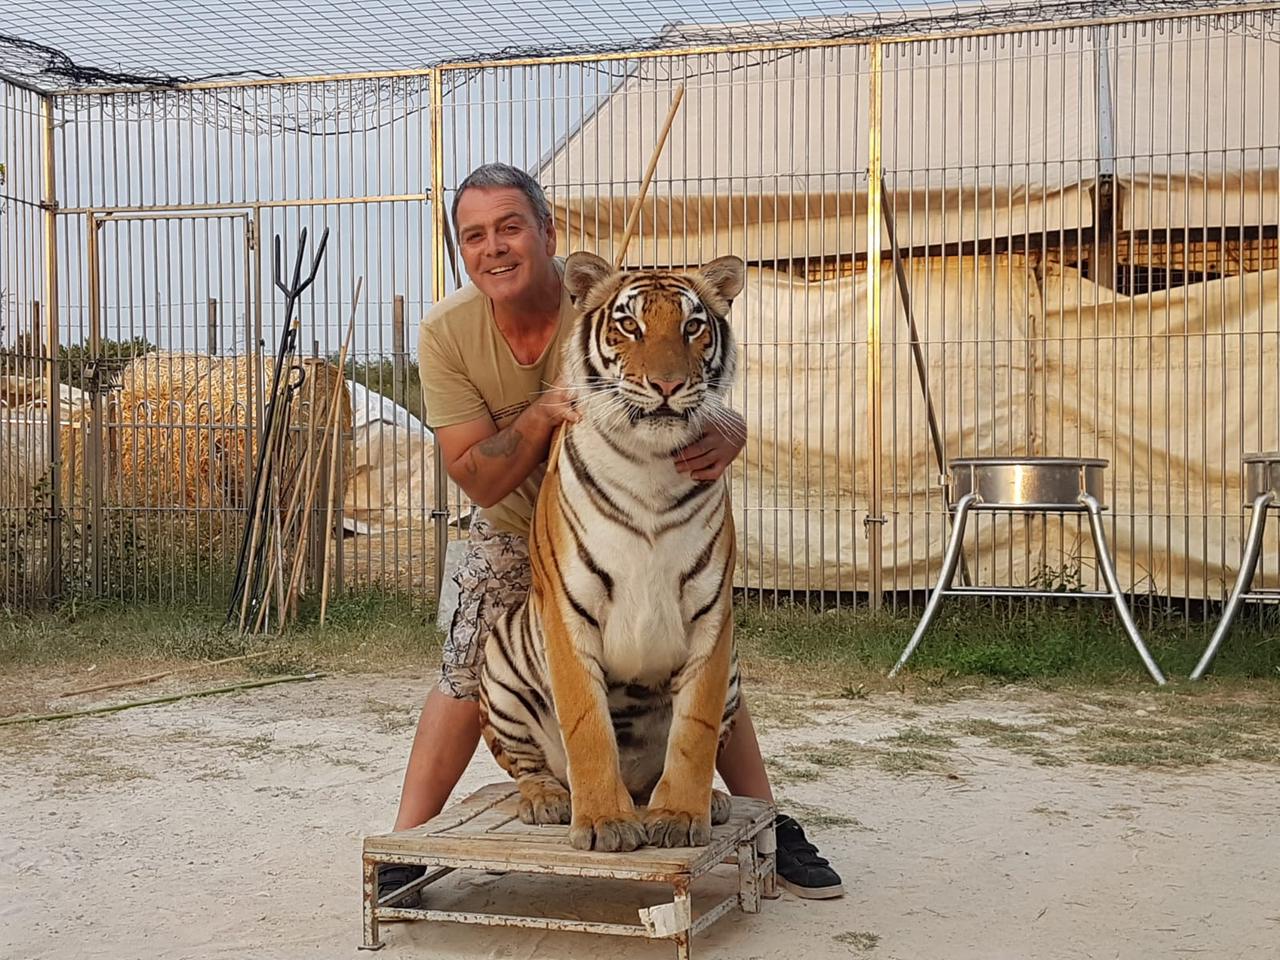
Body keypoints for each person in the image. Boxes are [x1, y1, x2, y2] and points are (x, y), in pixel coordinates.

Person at [381, 162, 843, 901]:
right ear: (461, 251)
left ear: (546, 234)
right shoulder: (448, 331)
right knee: (468, 660)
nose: (494, 248)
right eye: (475, 236)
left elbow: (690, 371)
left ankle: (772, 822)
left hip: (641, 498)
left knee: (697, 637)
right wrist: (541, 414)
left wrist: (732, 427)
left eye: (510, 227)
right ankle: (406, 844)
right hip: (512, 517)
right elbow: (475, 475)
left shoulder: (595, 293)